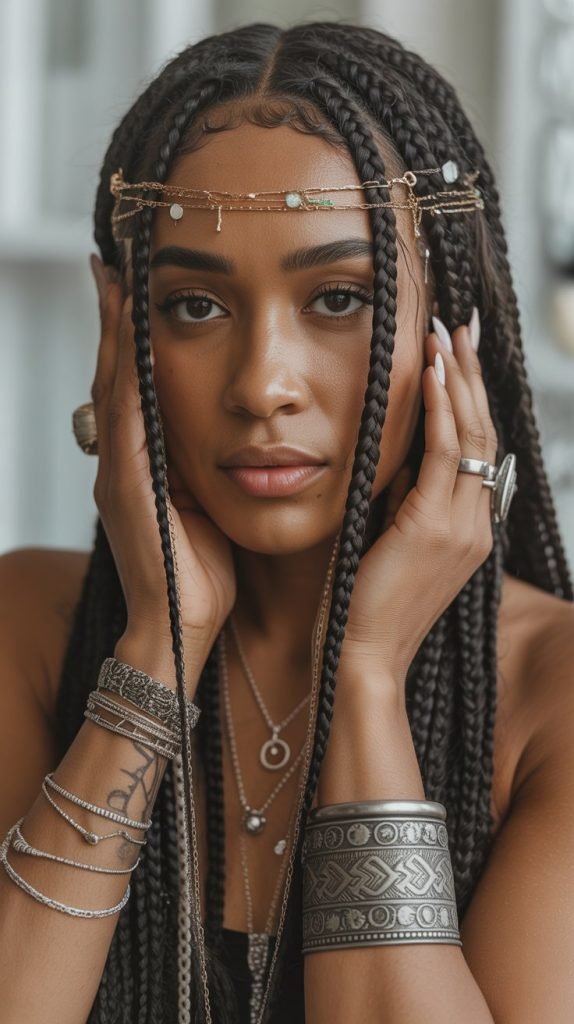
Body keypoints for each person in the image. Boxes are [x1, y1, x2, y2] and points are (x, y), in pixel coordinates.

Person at [0, 19, 573, 1024]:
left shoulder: (550, 693)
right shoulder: (27, 628)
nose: (264, 384)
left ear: (453, 321)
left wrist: (366, 679)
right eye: (195, 306)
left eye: (339, 297)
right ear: (117, 324)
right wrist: (154, 653)